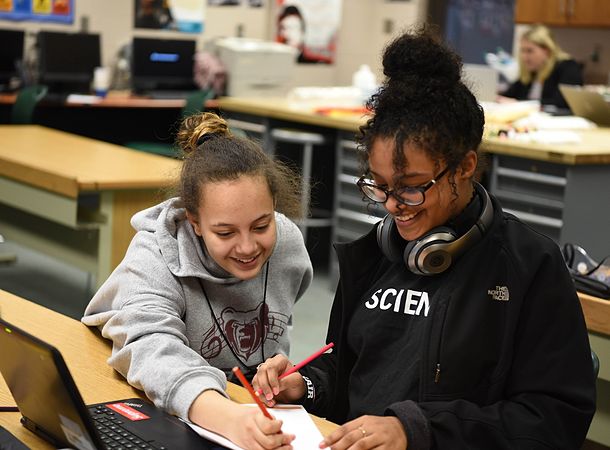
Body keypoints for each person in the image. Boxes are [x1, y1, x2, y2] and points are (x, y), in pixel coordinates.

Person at [253, 26, 596, 449]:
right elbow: (345, 375)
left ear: (466, 166)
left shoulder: (528, 268)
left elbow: (554, 419)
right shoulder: (374, 256)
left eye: (412, 185)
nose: (392, 205)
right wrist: (304, 386)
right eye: (378, 185)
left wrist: (417, 431)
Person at [82, 112, 313, 449]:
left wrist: (279, 371)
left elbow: (279, 321)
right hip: (178, 405)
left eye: (261, 226)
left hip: (252, 409)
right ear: (194, 221)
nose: (248, 246)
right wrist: (225, 416)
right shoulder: (156, 253)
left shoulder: (288, 243)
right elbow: (151, 346)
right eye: (225, 232)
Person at [498, 24, 583, 110]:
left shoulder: (567, 67)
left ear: (547, 50)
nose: (524, 57)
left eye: (529, 51)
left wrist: (520, 104)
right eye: (522, 50)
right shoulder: (532, 71)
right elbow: (507, 97)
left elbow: (562, 102)